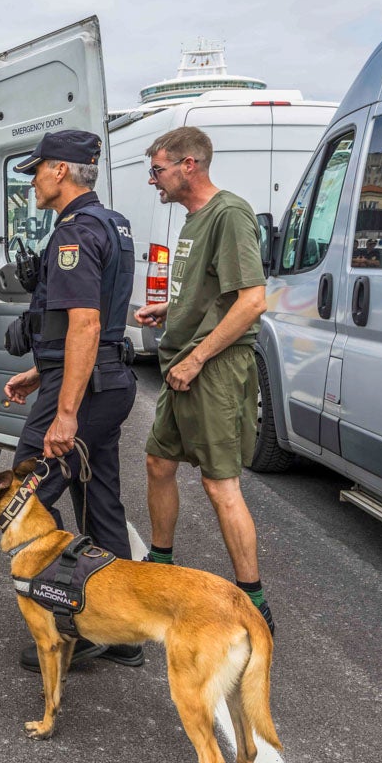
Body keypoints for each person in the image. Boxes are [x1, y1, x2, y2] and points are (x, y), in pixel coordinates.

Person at [2, 129, 141, 671]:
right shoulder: (113, 224)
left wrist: (63, 411)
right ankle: (125, 628)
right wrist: (43, 370)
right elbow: (92, 327)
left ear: (59, 171)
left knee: (27, 492)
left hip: (82, 392)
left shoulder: (75, 234)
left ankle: (74, 624)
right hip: (105, 381)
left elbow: (84, 322)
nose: (35, 180)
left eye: (38, 169)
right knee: (98, 499)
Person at [133, 126, 275, 635]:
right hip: (181, 364)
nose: (154, 181)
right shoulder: (193, 219)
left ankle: (255, 604)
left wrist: (196, 360)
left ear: (188, 165)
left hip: (209, 368)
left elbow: (252, 301)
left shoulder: (229, 214)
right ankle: (162, 565)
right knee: (157, 461)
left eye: (158, 170)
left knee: (220, 485)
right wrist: (169, 308)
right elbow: (210, 290)